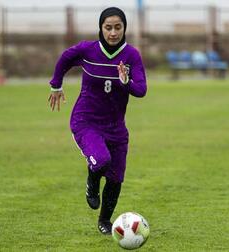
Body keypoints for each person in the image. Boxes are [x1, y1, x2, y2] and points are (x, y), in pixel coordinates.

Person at [48, 7, 147, 234]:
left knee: (116, 177)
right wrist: (56, 84)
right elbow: (65, 58)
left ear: (124, 28)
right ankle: (91, 183)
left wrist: (126, 82)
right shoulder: (88, 50)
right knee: (101, 161)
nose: (113, 32)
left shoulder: (131, 56)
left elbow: (141, 90)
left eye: (118, 27)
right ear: (101, 28)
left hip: (116, 127)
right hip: (86, 121)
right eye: (108, 27)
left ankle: (105, 221)